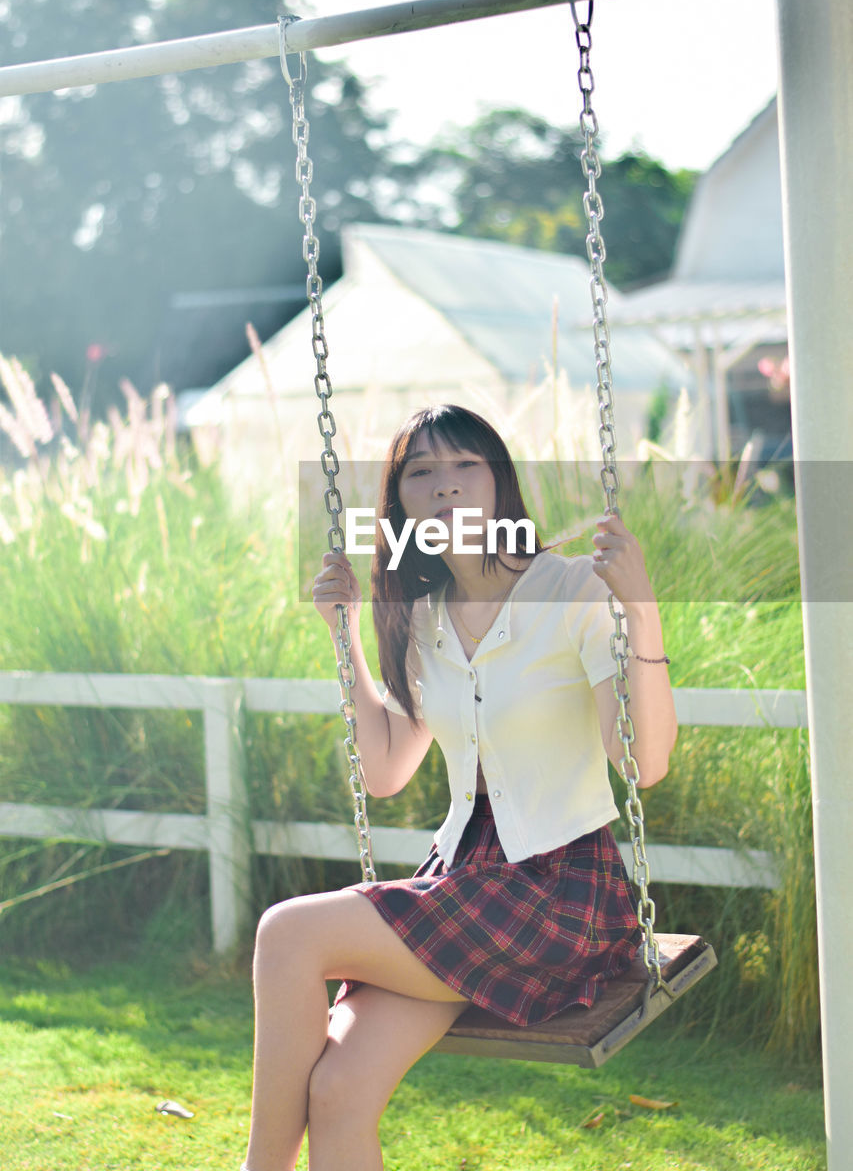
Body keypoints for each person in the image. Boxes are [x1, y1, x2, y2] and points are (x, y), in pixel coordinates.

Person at [242, 404, 676, 1171]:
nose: (443, 487)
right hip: (462, 889)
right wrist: (342, 631)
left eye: (462, 466)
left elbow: (641, 764)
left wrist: (639, 608)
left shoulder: (573, 589)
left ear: (498, 483)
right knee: (339, 1089)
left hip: (555, 892)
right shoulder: (421, 615)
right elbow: (385, 772)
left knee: (286, 932)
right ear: (401, 502)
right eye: (421, 473)